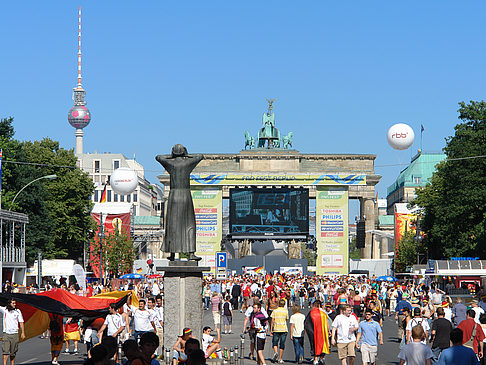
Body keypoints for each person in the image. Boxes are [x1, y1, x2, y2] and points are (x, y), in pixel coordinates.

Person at [156, 145, 203, 261]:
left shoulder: (170, 164)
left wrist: (172, 156)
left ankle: (171, 253)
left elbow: (158, 157)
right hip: (185, 196)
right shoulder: (188, 163)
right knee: (190, 224)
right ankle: (191, 253)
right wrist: (187, 155)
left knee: (172, 226)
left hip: (174, 196)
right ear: (184, 152)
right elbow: (200, 156)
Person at [305, 300, 331, 365]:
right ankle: (322, 357)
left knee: (314, 343)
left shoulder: (311, 313)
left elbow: (306, 323)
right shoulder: (323, 313)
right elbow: (327, 322)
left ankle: (316, 359)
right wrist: (328, 330)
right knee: (323, 343)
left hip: (313, 332)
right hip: (322, 331)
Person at [0, 299, 25, 365]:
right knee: (5, 351)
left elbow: (21, 322)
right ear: (9, 303)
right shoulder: (4, 310)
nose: (15, 304)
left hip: (15, 334)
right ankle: (4, 364)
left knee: (13, 352)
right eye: (13, 303)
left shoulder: (17, 311)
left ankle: (12, 363)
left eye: (15, 303)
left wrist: (23, 332)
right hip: (6, 334)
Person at [270, 299, 289, 364]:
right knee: (282, 344)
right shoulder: (286, 311)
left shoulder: (275, 311)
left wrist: (271, 329)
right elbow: (286, 319)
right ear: (284, 305)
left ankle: (276, 352)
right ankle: (280, 359)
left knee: (275, 343)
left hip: (276, 328)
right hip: (283, 329)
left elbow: (272, 320)